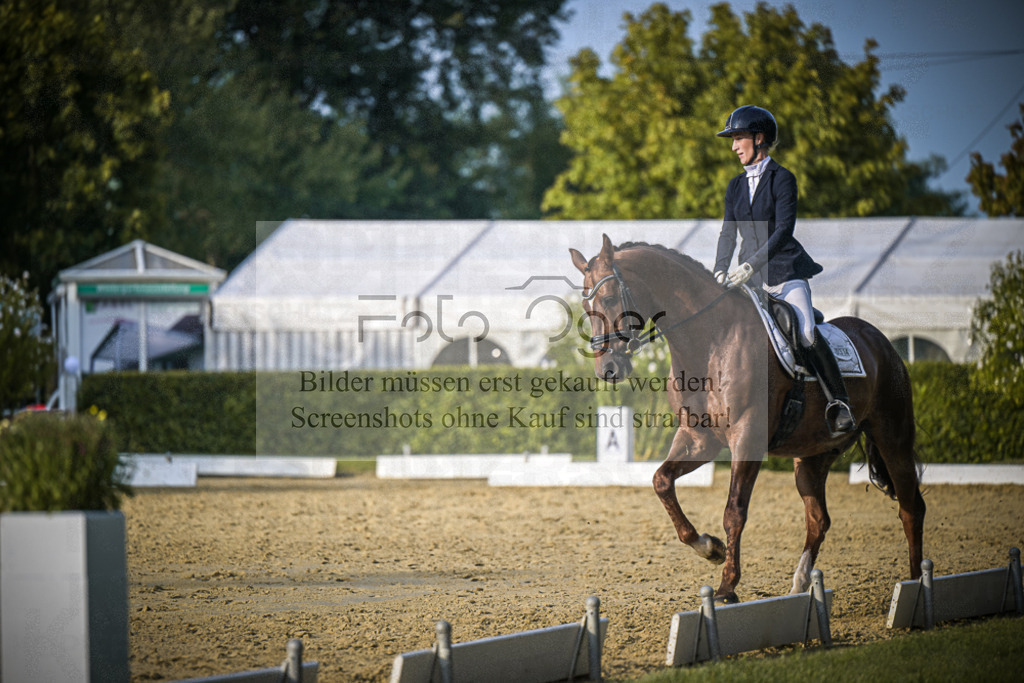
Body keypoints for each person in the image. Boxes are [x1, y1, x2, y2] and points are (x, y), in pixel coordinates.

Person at [712, 105, 855, 436]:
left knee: (804, 332)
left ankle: (839, 403)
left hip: (784, 272)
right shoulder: (734, 186)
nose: (733, 146)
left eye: (738, 138)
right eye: (732, 139)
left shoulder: (782, 178)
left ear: (759, 138)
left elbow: (783, 230)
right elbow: (727, 232)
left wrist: (751, 264)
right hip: (748, 280)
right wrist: (720, 270)